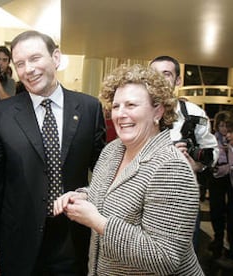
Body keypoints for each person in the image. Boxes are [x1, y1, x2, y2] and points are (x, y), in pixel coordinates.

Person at [0, 30, 106, 276]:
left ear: (55, 57)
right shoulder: (1, 114)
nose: (28, 69)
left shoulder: (89, 108)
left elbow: (103, 170)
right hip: (18, 239)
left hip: (72, 236)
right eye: (20, 63)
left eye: (35, 58)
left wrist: (88, 196)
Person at [54, 64, 204, 275]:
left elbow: (164, 258)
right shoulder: (113, 150)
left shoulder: (171, 168)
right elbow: (111, 193)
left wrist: (98, 222)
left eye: (131, 105)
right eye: (116, 106)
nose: (120, 114)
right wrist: (81, 197)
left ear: (158, 111)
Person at [150, 55, 219, 252]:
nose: (160, 80)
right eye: (154, 74)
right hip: (145, 198)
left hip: (183, 200)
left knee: (184, 257)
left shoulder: (194, 114)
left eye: (167, 74)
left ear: (178, 80)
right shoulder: (137, 110)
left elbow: (212, 152)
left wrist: (195, 165)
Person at [210, 111, 233, 260]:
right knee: (216, 209)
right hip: (216, 177)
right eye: (221, 125)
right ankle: (218, 239)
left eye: (226, 126)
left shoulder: (231, 140)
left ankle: (230, 243)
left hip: (230, 178)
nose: (223, 129)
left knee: (231, 212)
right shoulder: (212, 139)